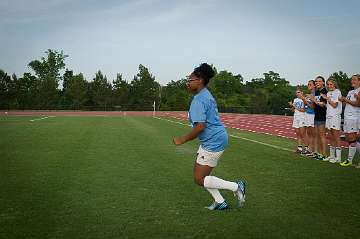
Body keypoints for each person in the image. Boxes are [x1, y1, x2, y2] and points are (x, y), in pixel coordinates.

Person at [173, 63, 246, 210]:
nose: (187, 83)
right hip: (214, 139)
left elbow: (200, 126)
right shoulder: (205, 94)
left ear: (200, 80)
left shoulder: (199, 100)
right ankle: (220, 202)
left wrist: (183, 139)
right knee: (200, 176)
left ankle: (236, 186)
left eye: (190, 80)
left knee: (199, 179)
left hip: (214, 140)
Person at [339, 74, 360, 166]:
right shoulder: (351, 92)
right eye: (352, 79)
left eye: (354, 79)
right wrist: (342, 101)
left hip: (354, 117)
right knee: (349, 138)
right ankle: (350, 160)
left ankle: (349, 160)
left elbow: (357, 104)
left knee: (353, 138)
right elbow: (347, 104)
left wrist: (346, 100)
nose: (352, 81)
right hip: (347, 117)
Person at [322, 78, 342, 163]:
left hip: (335, 117)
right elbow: (329, 106)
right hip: (329, 116)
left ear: (334, 84)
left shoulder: (337, 92)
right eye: (328, 84)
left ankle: (338, 158)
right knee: (330, 136)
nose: (329, 86)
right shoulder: (329, 93)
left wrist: (327, 99)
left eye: (331, 84)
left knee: (336, 136)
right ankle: (332, 156)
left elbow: (334, 105)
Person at [309, 76, 328, 160]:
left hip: (323, 116)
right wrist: (311, 101)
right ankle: (318, 153)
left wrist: (314, 100)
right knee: (316, 135)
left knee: (322, 136)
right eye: (316, 81)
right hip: (316, 115)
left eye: (319, 81)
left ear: (323, 82)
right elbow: (314, 106)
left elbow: (323, 104)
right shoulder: (317, 91)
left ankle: (324, 154)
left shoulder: (324, 91)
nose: (317, 83)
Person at [300, 80, 316, 156]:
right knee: (309, 133)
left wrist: (304, 99)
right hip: (307, 114)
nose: (308, 85)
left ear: (314, 85)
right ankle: (309, 149)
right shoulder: (309, 94)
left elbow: (312, 106)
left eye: (310, 84)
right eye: (308, 84)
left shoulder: (314, 94)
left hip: (312, 114)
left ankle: (311, 150)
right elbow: (306, 106)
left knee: (312, 133)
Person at [289, 88, 306, 153]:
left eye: (299, 92)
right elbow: (293, 110)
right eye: (296, 93)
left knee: (302, 134)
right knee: (298, 133)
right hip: (296, 117)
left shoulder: (304, 99)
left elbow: (303, 110)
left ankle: (306, 148)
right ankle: (300, 148)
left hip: (302, 117)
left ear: (302, 92)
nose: (297, 94)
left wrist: (294, 106)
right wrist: (292, 106)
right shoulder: (295, 100)